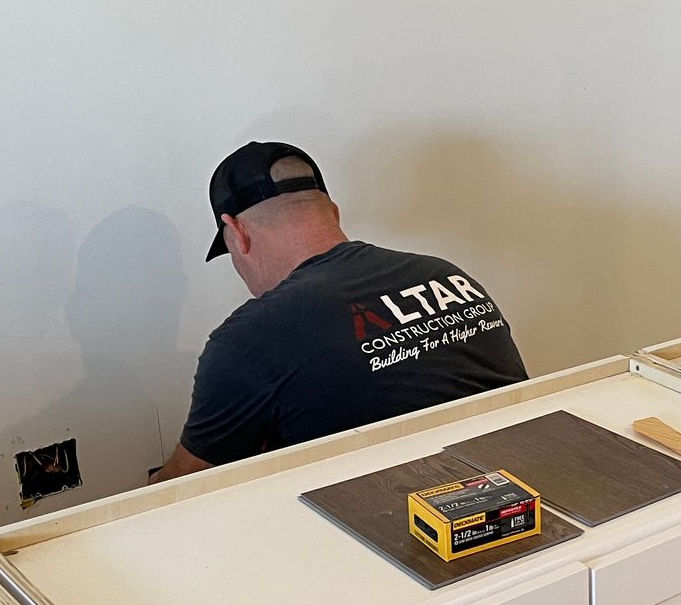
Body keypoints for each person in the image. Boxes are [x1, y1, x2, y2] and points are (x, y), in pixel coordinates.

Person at [152, 141, 528, 480]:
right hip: (532, 497)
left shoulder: (252, 336)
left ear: (236, 234)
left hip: (391, 538)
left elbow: (181, 489)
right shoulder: (444, 273)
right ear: (333, 212)